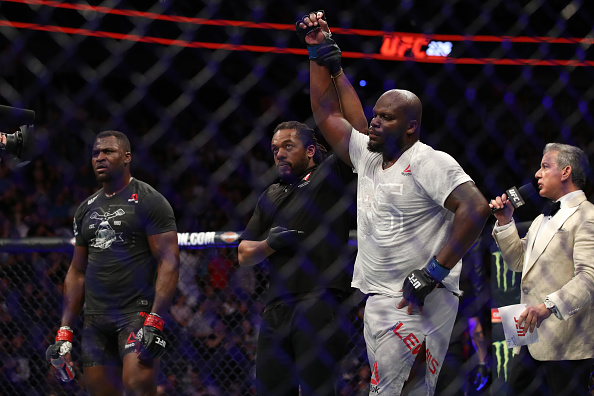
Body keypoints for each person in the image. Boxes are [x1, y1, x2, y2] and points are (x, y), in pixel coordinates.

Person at [297, 11, 490, 395]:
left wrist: (433, 272)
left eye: (386, 118)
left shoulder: (428, 161)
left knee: (398, 390)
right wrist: (318, 53)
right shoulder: (368, 156)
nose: (375, 123)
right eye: (375, 116)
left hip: (420, 296)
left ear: (410, 126)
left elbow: (476, 208)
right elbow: (328, 112)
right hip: (378, 296)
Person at [46, 130, 180, 396]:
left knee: (138, 387)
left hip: (136, 313)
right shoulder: (86, 208)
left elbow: (169, 261)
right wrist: (64, 329)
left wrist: (155, 319)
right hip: (95, 320)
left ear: (126, 156)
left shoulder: (149, 200)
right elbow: (77, 271)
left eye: (108, 151)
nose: (100, 158)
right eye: (96, 153)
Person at [237, 120, 357, 395]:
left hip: (319, 300)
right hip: (276, 308)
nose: (279, 154)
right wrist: (270, 244)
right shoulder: (272, 193)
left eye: (288, 146)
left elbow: (353, 136)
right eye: (275, 148)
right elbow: (244, 254)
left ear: (311, 150)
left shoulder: (329, 177)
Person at [490, 142, 594, 396]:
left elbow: (588, 277)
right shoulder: (540, 218)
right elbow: (517, 262)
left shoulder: (587, 215)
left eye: (545, 166)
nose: (537, 174)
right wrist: (505, 221)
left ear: (566, 172)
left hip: (565, 342)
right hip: (526, 335)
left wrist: (548, 306)